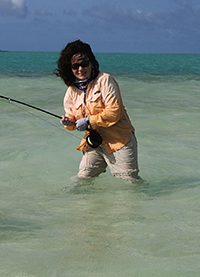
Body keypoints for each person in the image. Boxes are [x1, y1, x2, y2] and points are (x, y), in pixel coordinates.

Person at [55, 40, 140, 183]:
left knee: (130, 183)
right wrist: (68, 122)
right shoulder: (71, 91)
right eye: (75, 66)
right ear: (69, 68)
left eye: (84, 64)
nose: (80, 69)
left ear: (91, 62)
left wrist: (89, 121)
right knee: (81, 180)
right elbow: (72, 121)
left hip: (119, 141)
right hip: (94, 142)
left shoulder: (105, 80)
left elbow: (114, 111)